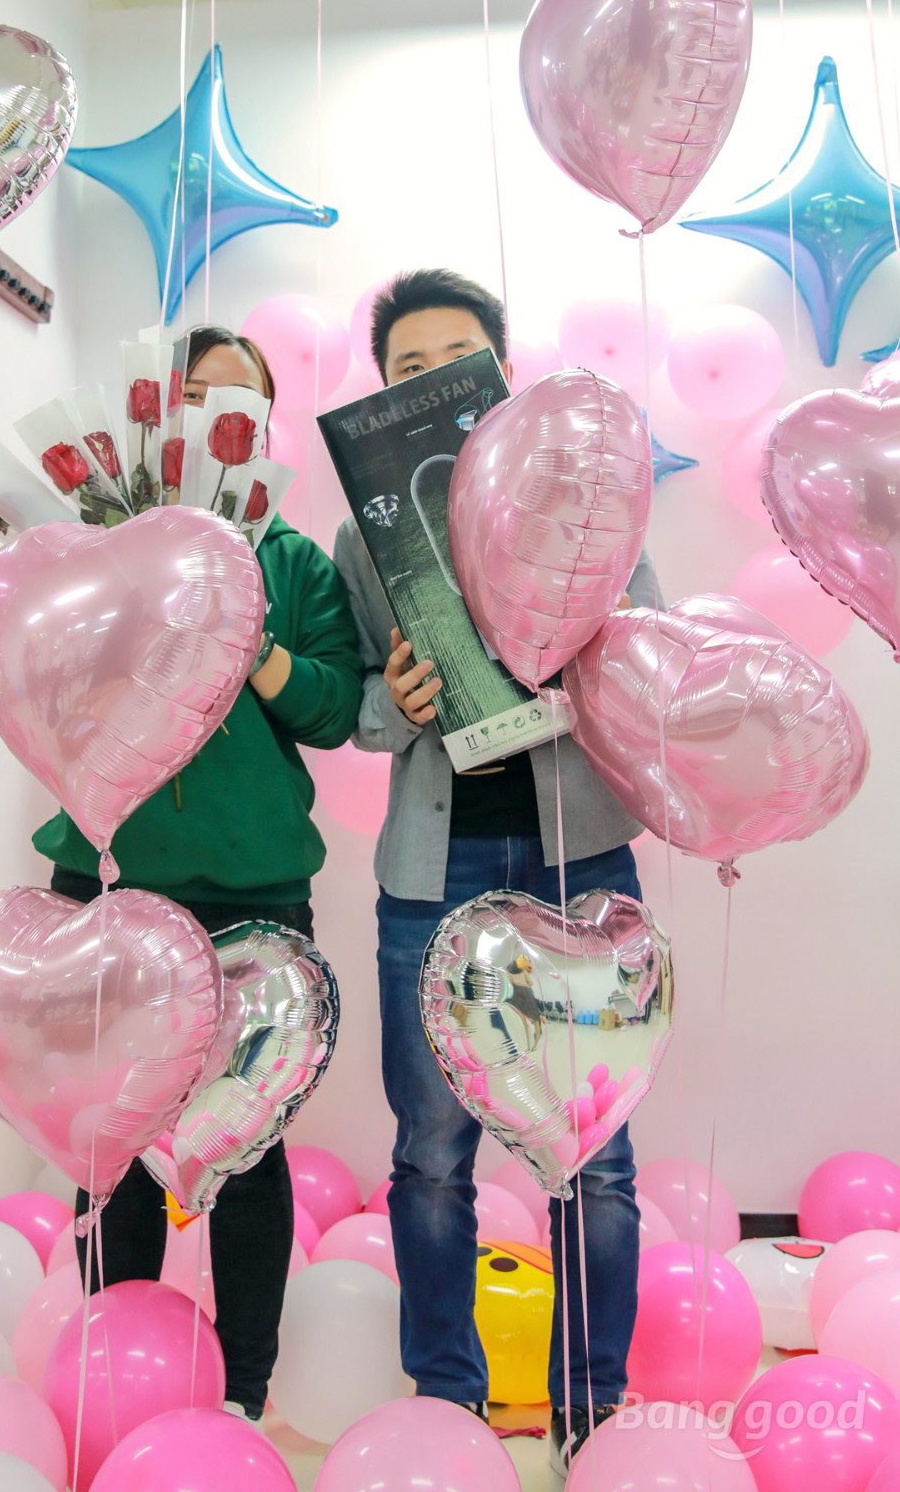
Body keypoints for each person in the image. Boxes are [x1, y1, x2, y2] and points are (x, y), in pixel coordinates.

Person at [331, 269, 659, 1479]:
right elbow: (360, 709)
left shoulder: (589, 501)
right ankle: (445, 1405)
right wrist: (397, 699)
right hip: (435, 864)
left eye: (455, 362)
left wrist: (589, 649)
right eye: (407, 371)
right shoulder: (362, 537)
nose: (433, 385)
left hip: (580, 856)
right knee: (431, 1150)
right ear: (384, 395)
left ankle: (592, 1408)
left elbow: (652, 657)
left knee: (597, 1154)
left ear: (502, 375)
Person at [32, 323, 364, 1425]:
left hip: (255, 888)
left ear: (262, 429)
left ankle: (245, 1392)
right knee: (112, 1137)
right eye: (198, 396)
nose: (221, 416)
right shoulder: (107, 540)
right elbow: (49, 679)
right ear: (159, 413)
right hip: (111, 874)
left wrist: (251, 644)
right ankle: (112, 1379)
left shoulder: (294, 562)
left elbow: (331, 706)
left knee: (247, 1145)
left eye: (244, 402)